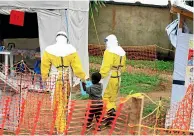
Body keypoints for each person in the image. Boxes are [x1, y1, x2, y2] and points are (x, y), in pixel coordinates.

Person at [41, 31, 88, 134]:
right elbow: (77, 68)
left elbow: (45, 68)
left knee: (57, 103)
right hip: (66, 79)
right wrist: (83, 77)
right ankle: (62, 125)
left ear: (57, 38)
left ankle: (60, 129)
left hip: (54, 79)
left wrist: (44, 78)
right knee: (65, 102)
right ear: (66, 38)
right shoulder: (71, 50)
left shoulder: (49, 50)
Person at [100, 34, 126, 126]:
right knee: (113, 97)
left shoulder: (109, 51)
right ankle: (112, 113)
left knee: (105, 96)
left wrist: (100, 76)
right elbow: (123, 68)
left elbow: (106, 67)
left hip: (109, 77)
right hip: (118, 76)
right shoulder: (122, 51)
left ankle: (110, 111)